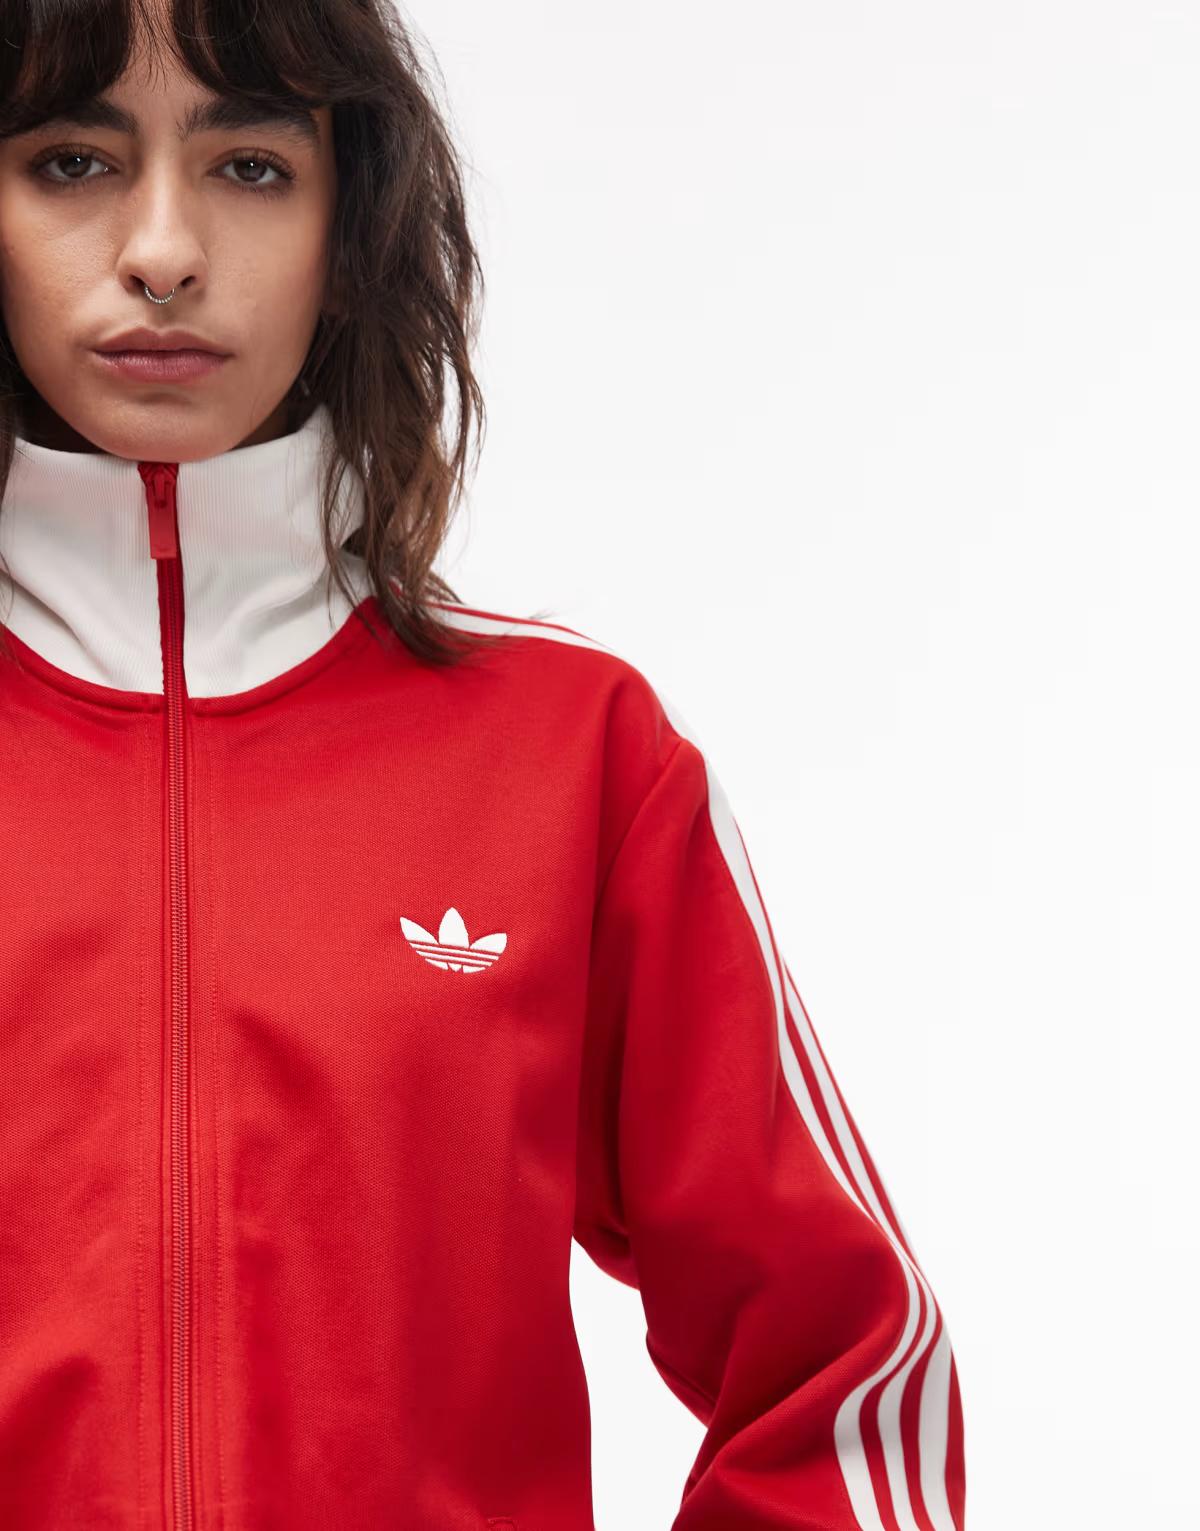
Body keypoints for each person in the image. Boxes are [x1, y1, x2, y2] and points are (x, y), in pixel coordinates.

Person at [0, 1, 967, 1527]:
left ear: (352, 225)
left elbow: (837, 1367)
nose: (164, 249)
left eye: (251, 166)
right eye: (71, 159)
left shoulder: (572, 755)